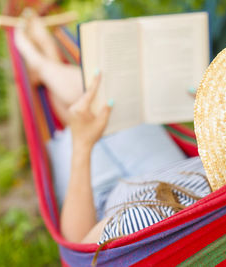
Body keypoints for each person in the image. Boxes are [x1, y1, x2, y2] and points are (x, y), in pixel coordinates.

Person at [14, 13, 210, 244]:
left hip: (107, 203)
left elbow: (79, 247)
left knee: (78, 118)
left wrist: (82, 147)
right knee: (94, 103)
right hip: (173, 167)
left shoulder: (138, 228)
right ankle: (47, 62)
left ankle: (42, 63)